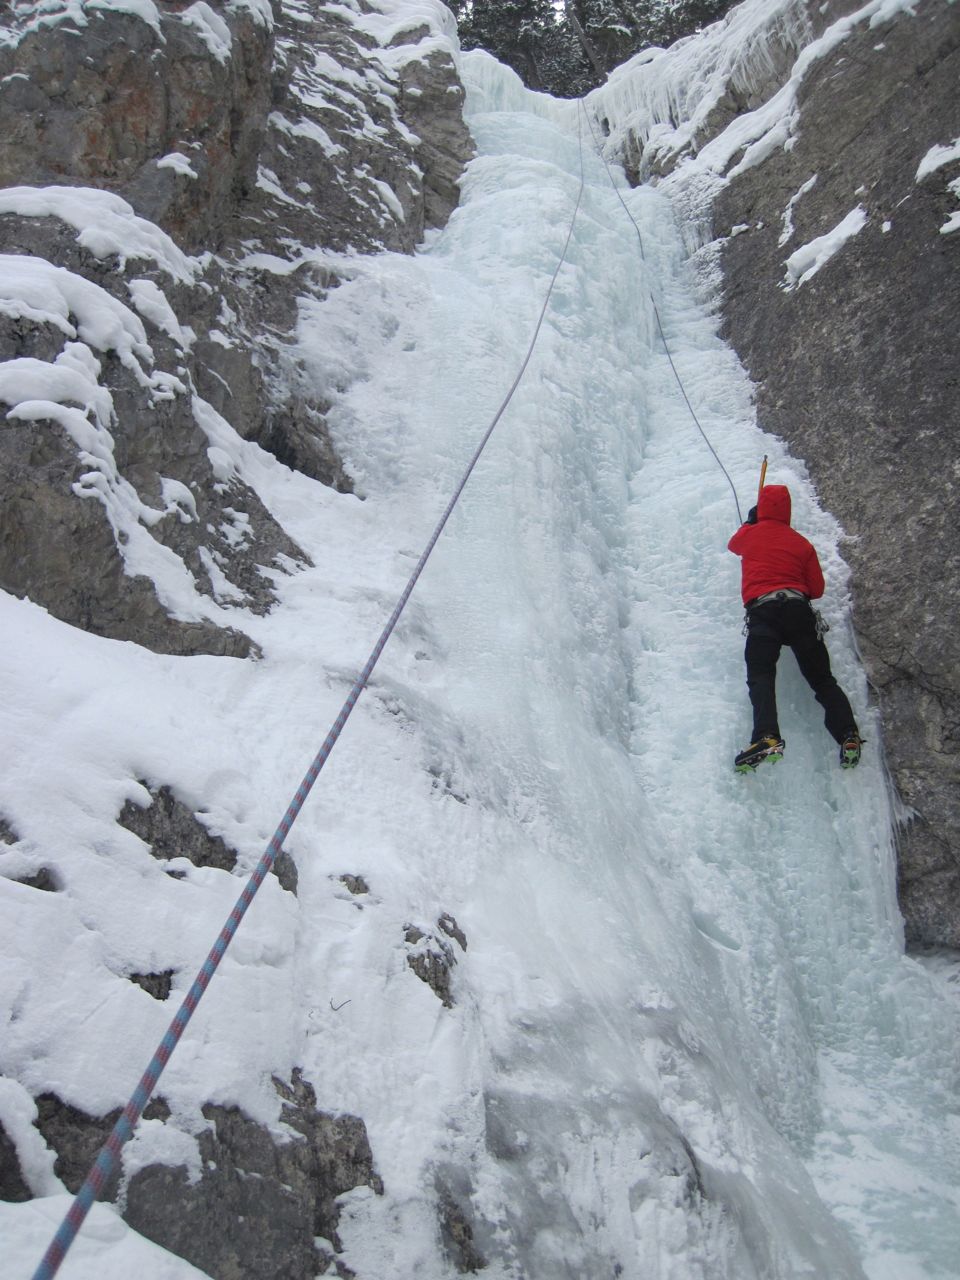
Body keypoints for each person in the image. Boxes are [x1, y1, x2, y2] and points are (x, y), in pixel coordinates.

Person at [727, 483, 863, 772]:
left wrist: (752, 523)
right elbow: (816, 589)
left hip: (763, 613)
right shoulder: (801, 543)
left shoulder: (750, 535)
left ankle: (767, 737)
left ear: (761, 508)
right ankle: (848, 734)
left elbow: (734, 545)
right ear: (787, 510)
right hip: (798, 612)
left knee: (761, 675)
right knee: (823, 680)